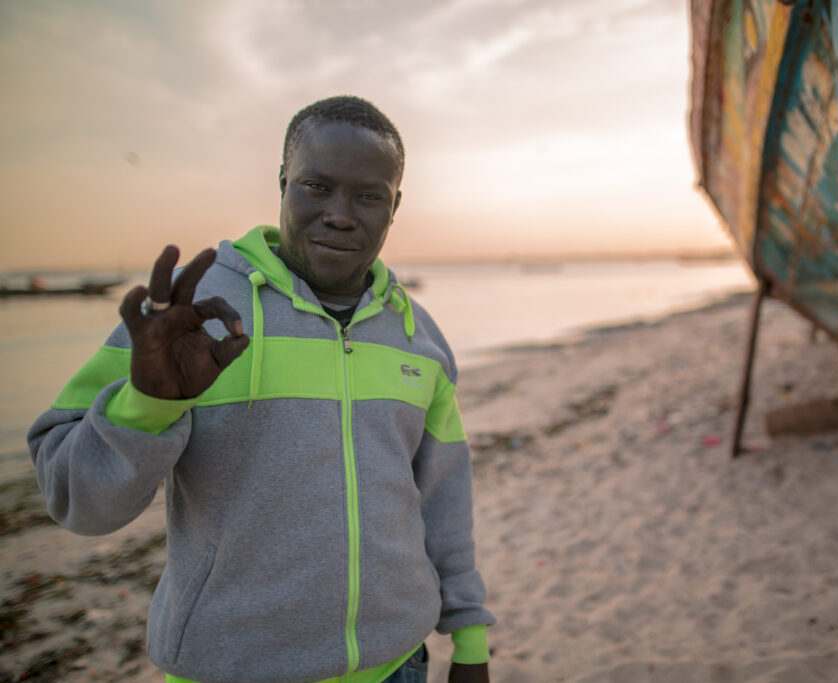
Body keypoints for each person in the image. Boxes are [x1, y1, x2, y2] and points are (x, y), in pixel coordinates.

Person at [28, 96, 494, 683]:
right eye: (316, 187)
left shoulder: (417, 336)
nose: (341, 214)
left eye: (368, 196)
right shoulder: (190, 315)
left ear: (394, 206)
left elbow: (443, 501)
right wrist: (146, 406)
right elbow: (78, 505)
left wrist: (470, 638)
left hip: (400, 665)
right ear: (282, 182)